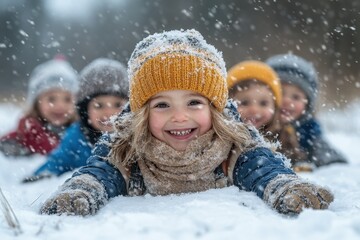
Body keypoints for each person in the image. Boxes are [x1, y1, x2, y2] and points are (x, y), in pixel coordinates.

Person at [39, 29, 333, 216]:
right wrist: (84, 188)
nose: (179, 117)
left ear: (215, 109)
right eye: (162, 105)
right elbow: (102, 169)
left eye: (194, 102)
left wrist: (282, 185)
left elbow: (262, 166)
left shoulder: (233, 141)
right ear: (142, 113)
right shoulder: (126, 143)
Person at [22, 58, 129, 182]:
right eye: (99, 105)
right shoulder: (76, 136)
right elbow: (59, 160)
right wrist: (43, 174)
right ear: (85, 110)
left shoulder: (135, 136)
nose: (109, 112)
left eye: (117, 105)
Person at [266, 53, 348, 168]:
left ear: (307, 104)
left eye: (296, 97)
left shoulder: (308, 129)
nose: (287, 101)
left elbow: (324, 151)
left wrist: (333, 162)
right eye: (280, 93)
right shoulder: (259, 125)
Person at [227, 60, 309, 172]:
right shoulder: (223, 135)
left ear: (275, 107)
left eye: (263, 103)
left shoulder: (283, 135)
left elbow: (295, 159)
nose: (254, 110)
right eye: (244, 102)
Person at [0, 56, 79, 157]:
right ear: (36, 103)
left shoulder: (81, 134)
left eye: (67, 99)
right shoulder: (25, 134)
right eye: (51, 99)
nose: (60, 106)